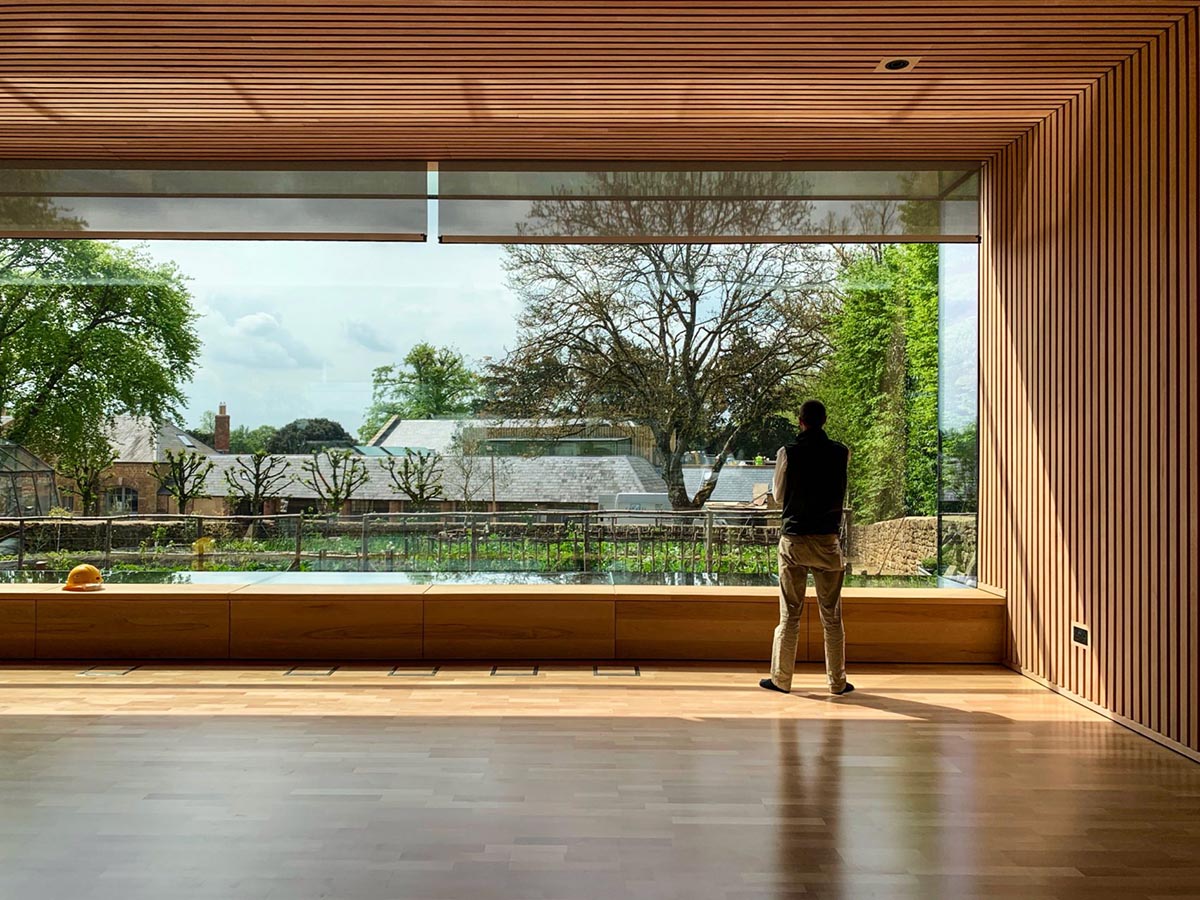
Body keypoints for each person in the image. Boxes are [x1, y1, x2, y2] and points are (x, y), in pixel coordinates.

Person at [760, 399, 854, 696]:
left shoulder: (787, 453)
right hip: (828, 541)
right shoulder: (841, 452)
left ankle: (782, 679)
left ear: (800, 421)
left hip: (795, 540)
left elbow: (778, 494)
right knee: (832, 617)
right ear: (824, 421)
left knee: (790, 614)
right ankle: (837, 682)